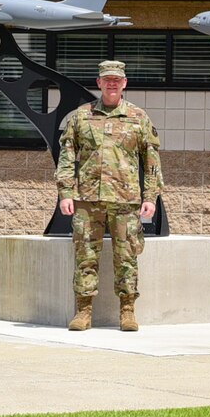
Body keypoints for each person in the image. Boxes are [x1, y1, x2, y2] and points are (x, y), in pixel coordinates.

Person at [55, 60, 163, 332]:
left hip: (125, 200)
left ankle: (127, 311)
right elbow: (67, 156)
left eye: (117, 80)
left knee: (126, 256)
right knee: (85, 255)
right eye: (107, 80)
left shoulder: (138, 117)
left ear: (124, 83)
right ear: (99, 83)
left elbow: (151, 161)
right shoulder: (81, 116)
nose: (112, 84)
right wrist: (65, 192)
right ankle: (83, 312)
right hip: (87, 199)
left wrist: (150, 197)